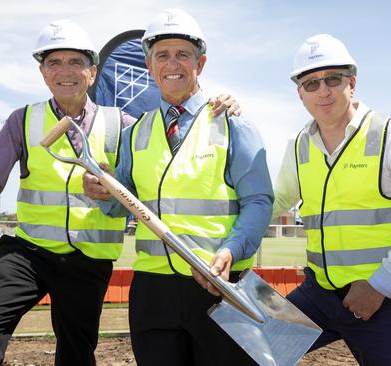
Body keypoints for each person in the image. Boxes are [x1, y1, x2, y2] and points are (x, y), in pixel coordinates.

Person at [0, 19, 238, 366]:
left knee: (77, 354)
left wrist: (219, 102)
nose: (66, 71)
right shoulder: (22, 121)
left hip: (88, 260)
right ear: (43, 72)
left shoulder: (122, 126)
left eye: (76, 62)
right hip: (28, 254)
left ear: (93, 72)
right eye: (54, 62)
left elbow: (175, 124)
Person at [83, 8, 273, 366]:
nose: (173, 64)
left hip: (220, 284)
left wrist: (231, 251)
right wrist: (103, 193)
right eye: (162, 55)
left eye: (183, 54)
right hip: (153, 292)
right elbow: (123, 200)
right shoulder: (135, 133)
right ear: (149, 66)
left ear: (200, 64)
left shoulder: (233, 124)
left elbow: (259, 201)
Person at [272, 33, 391, 365]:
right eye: (311, 84)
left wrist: (380, 286)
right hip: (319, 294)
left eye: (332, 79)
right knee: (254, 347)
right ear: (300, 94)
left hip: (385, 300)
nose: (323, 90)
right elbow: (276, 200)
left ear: (352, 82)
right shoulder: (299, 145)